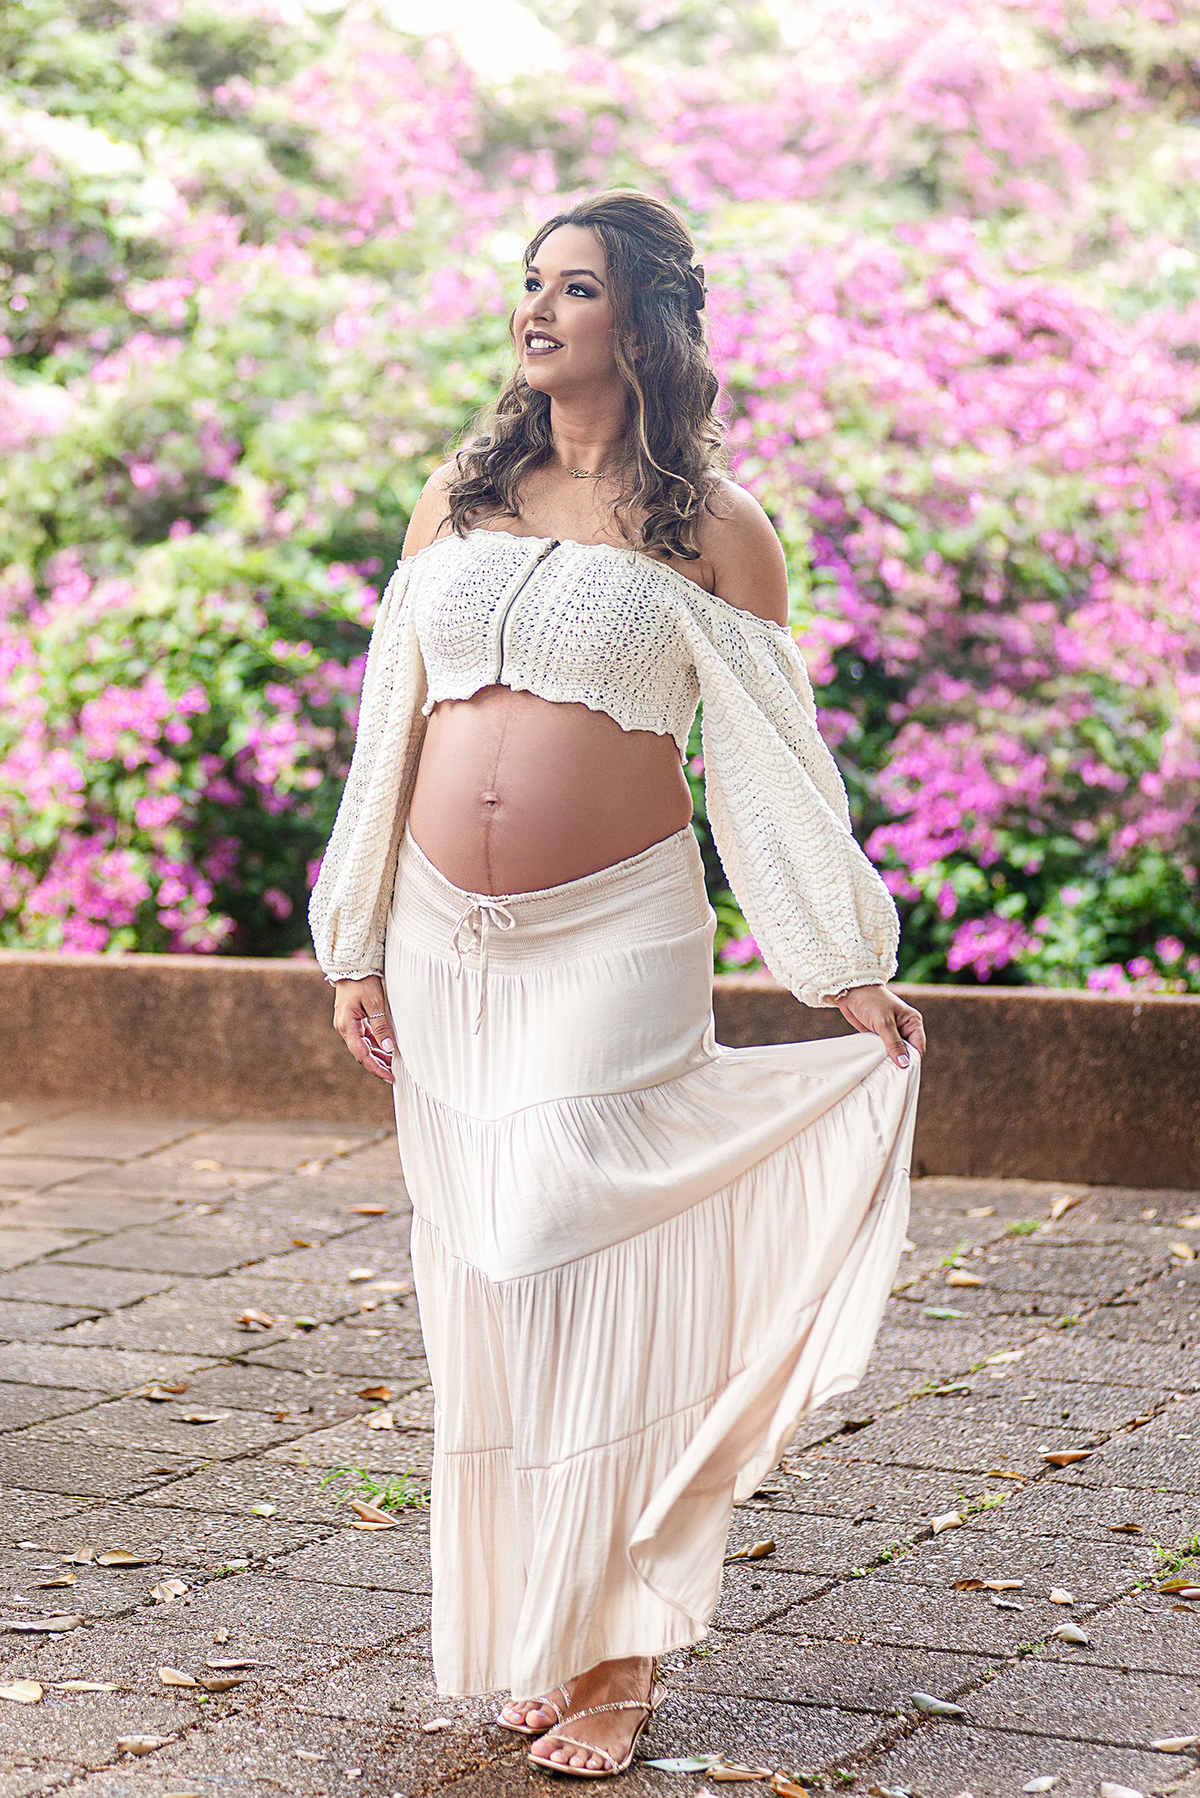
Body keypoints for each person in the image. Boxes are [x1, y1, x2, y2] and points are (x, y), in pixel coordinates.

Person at [310, 189, 924, 1780]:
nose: (537, 307)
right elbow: (391, 719)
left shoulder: (714, 527)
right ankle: (557, 1625)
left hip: (615, 932)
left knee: (562, 1230)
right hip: (445, 940)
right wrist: (356, 936)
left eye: (574, 286)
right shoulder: (462, 493)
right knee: (494, 1278)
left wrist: (843, 966)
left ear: (643, 318)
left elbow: (773, 765)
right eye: (530, 281)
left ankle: (626, 1647)